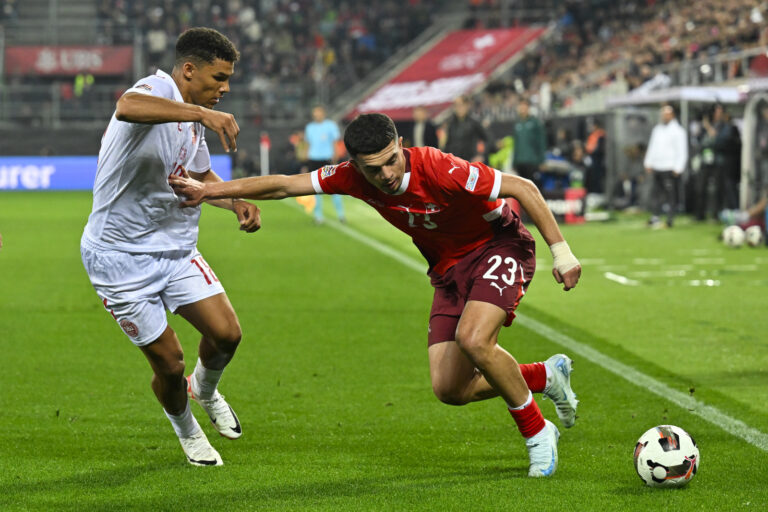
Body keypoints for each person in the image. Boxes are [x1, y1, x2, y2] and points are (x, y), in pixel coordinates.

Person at [170, 113, 582, 478]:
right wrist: (209, 192)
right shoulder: (349, 177)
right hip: (448, 271)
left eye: (391, 160)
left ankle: (536, 431)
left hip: (498, 246)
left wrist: (561, 254)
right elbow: (283, 185)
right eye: (373, 168)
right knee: (450, 390)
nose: (386, 174)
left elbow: (523, 187)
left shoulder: (441, 168)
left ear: (401, 144)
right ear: (355, 165)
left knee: (474, 339)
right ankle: (545, 376)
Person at [80, 27, 261, 467]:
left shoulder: (192, 115)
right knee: (171, 365)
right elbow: (126, 106)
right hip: (119, 259)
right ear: (188, 70)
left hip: (175, 249)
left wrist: (234, 200)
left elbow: (200, 174)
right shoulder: (156, 90)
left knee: (227, 334)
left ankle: (207, 390)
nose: (225, 87)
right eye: (218, 78)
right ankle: (188, 432)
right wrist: (200, 116)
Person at [644, 105, 688, 228]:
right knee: (656, 193)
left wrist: (678, 167)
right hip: (658, 166)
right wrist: (648, 162)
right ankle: (655, 216)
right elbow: (652, 147)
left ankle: (670, 219)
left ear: (672, 115)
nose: (664, 116)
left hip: (670, 167)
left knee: (670, 194)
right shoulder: (657, 129)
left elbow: (682, 150)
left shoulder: (678, 131)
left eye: (666, 114)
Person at [305, 105, 345, 224]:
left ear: (323, 113)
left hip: (327, 159)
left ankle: (341, 214)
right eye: (315, 112)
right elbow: (308, 144)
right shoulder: (309, 127)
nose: (316, 114)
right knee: (315, 189)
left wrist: (335, 157)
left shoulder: (330, 125)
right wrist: (307, 157)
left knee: (334, 187)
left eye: (318, 112)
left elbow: (335, 142)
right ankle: (318, 216)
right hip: (313, 159)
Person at [512, 99, 546, 188]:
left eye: (525, 106)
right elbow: (516, 144)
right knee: (521, 188)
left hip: (532, 161)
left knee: (533, 187)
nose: (522, 108)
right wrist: (514, 162)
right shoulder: (517, 123)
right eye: (521, 106)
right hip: (520, 161)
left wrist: (542, 160)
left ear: (528, 108)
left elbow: (541, 141)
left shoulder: (535, 122)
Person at [442, 95, 487, 161]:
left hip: (469, 162)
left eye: (460, 105)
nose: (458, 108)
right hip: (454, 162)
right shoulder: (451, 123)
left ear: (467, 105)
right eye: (456, 106)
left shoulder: (474, 121)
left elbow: (487, 139)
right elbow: (448, 143)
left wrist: (480, 155)